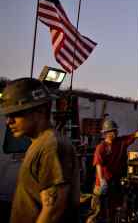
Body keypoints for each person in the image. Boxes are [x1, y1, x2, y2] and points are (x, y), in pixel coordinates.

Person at [0, 78, 80, 223]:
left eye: (16, 114)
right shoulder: (39, 144)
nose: (9, 121)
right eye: (7, 115)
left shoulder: (51, 146)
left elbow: (53, 211)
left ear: (40, 110)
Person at [86, 118, 138, 223]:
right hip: (102, 183)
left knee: (113, 210)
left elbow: (135, 135)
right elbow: (98, 165)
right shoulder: (101, 148)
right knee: (96, 212)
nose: (116, 132)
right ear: (107, 133)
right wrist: (101, 181)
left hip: (114, 182)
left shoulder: (120, 142)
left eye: (116, 130)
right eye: (113, 131)